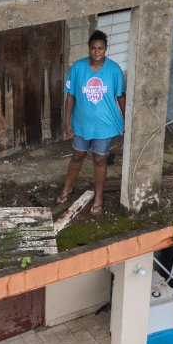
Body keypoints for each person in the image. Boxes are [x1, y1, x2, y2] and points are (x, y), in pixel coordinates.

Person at [57, 30, 125, 214]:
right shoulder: (78, 68)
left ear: (106, 49)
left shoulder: (114, 69)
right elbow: (70, 96)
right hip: (81, 123)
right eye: (93, 48)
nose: (97, 52)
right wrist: (67, 121)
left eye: (100, 48)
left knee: (99, 159)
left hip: (105, 125)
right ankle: (67, 187)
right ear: (89, 48)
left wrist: (125, 120)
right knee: (77, 155)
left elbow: (120, 96)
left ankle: (99, 196)